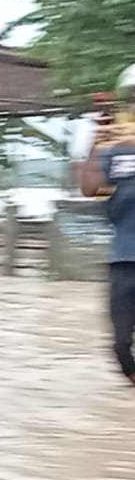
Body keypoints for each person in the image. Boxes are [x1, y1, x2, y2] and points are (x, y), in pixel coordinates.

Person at [76, 62, 135, 387]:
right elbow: (90, 188)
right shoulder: (115, 149)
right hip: (124, 259)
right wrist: (97, 144)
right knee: (120, 344)